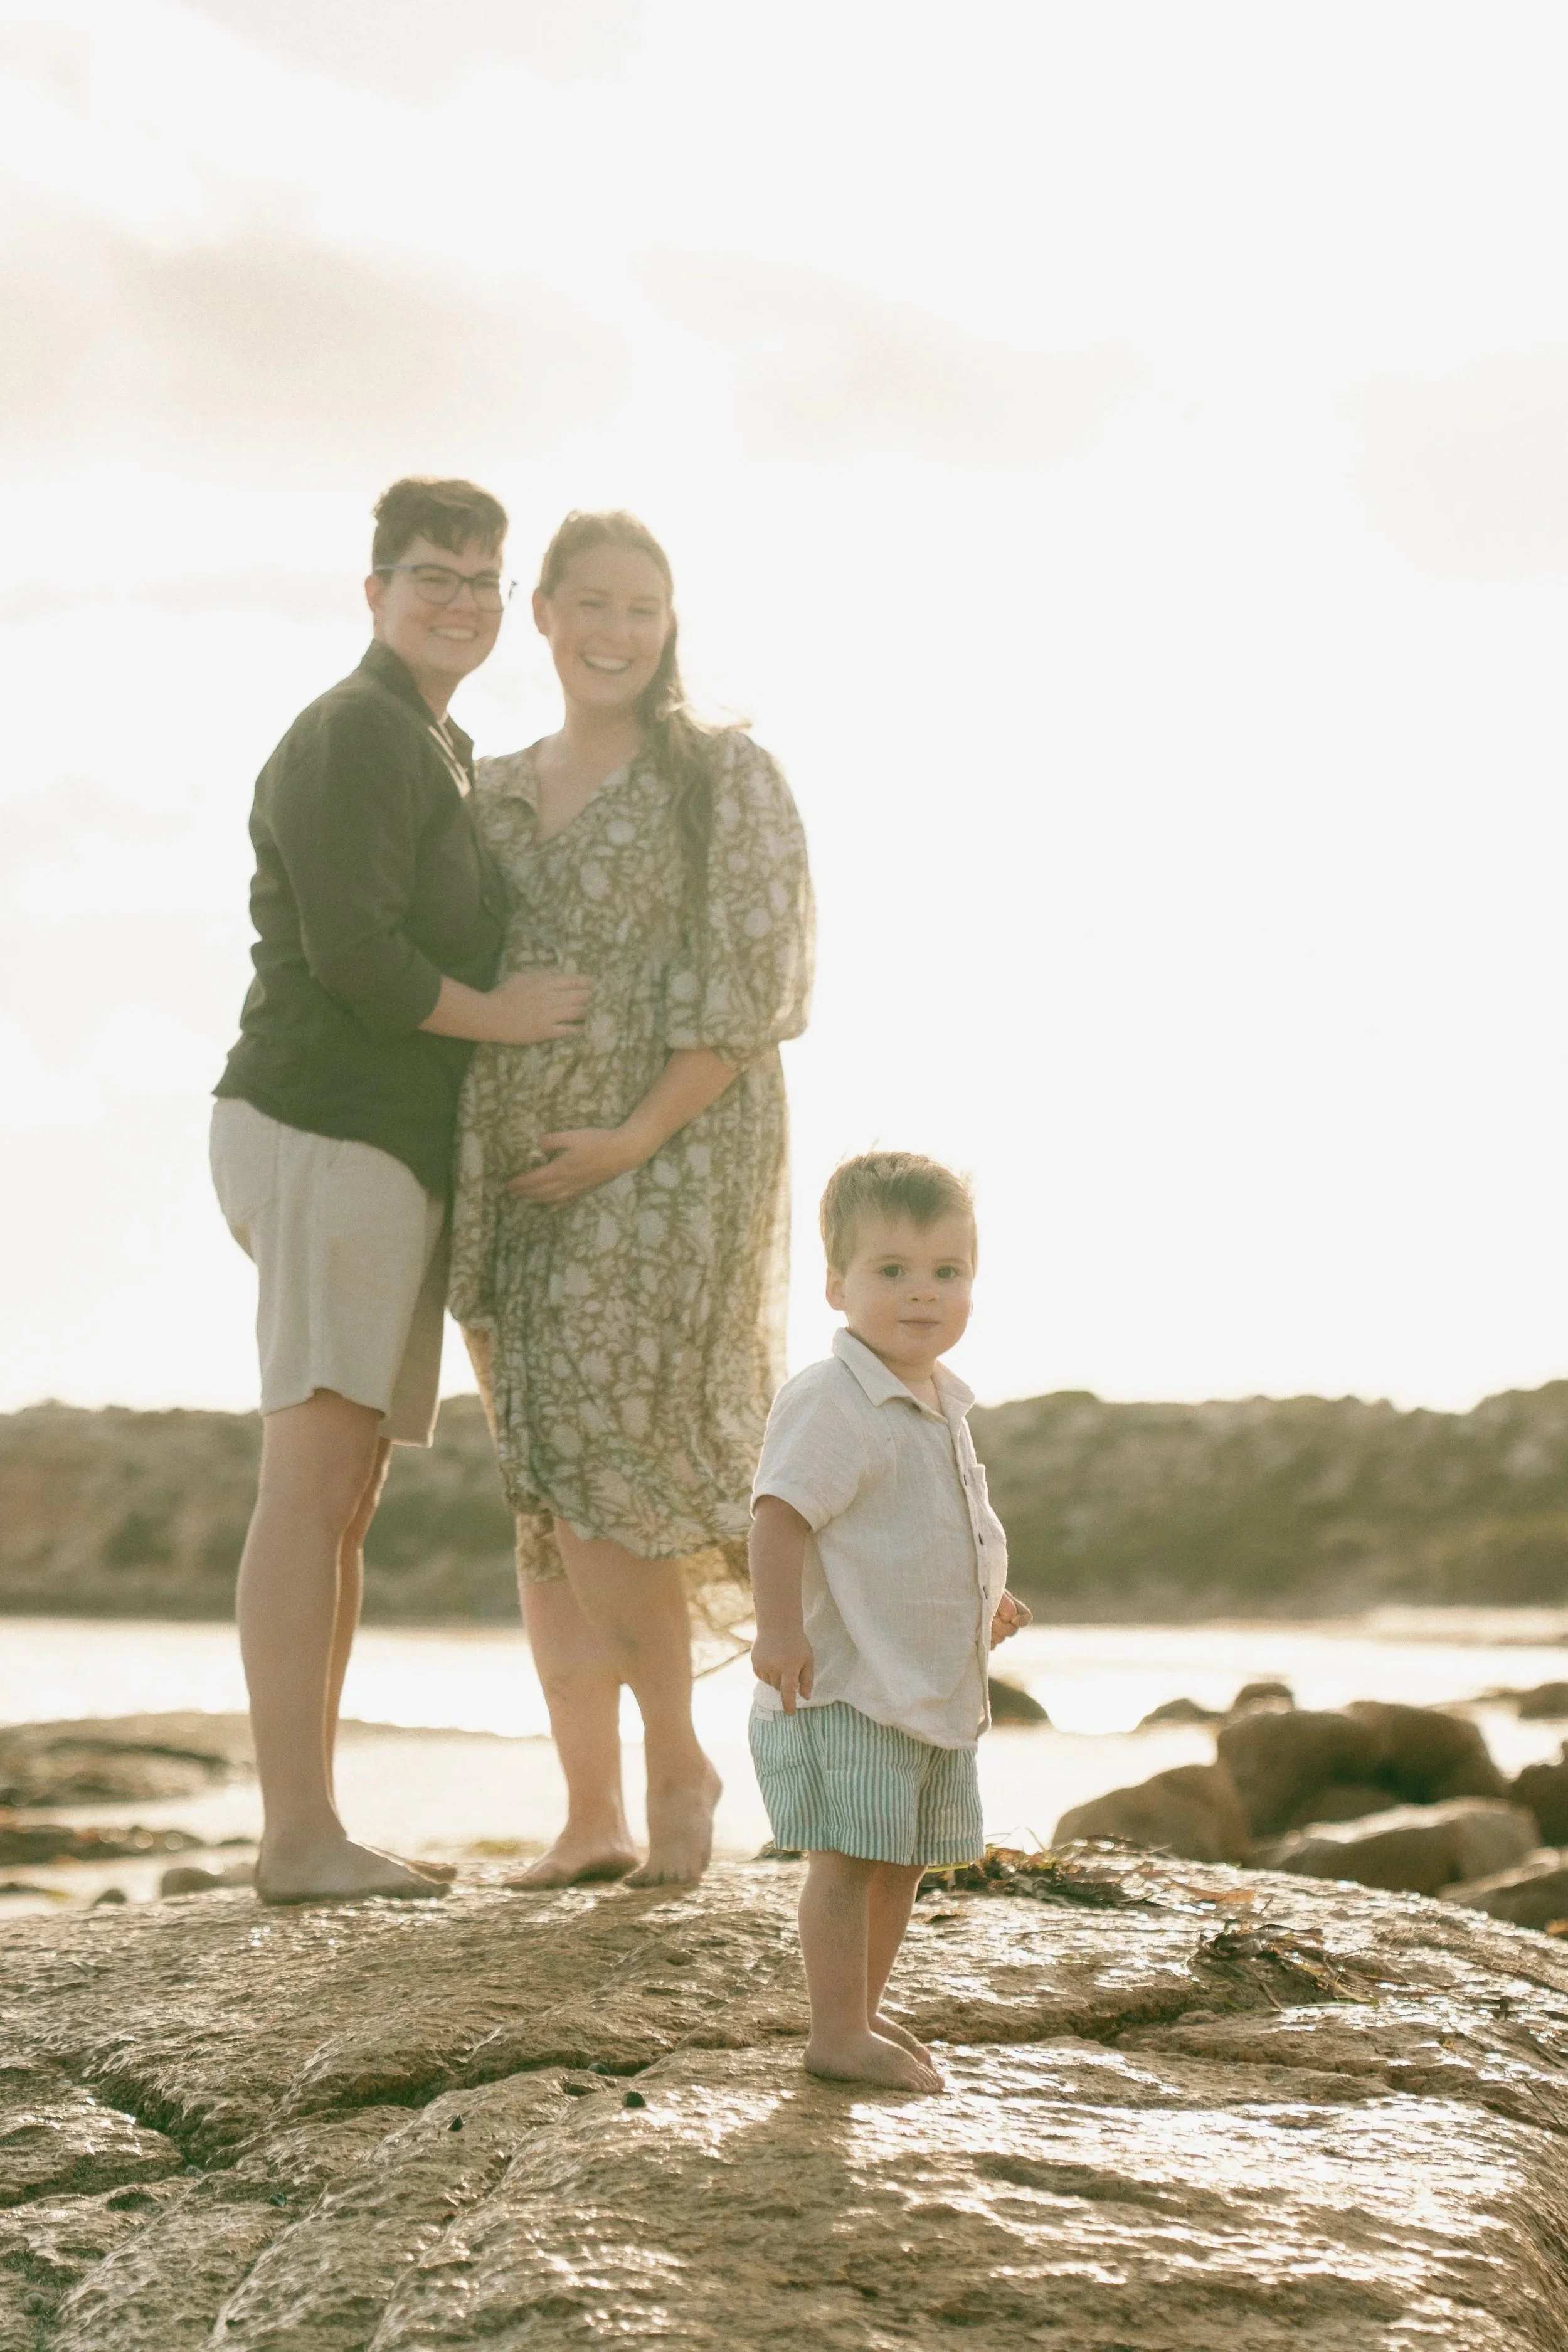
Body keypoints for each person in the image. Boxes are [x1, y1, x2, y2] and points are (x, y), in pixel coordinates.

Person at [211, 477, 595, 1905]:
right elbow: (356, 958)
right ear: (372, 591)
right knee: (307, 1492)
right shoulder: (352, 735)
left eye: (484, 581)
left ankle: (311, 1828)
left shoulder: (431, 740)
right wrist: (515, 1018)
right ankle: (296, 1839)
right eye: (433, 575)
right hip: (323, 1126)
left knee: (345, 1498)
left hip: (375, 1144)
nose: (461, 601)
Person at [450, 509, 813, 1890]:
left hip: (675, 1148)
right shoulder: (482, 790)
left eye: (641, 609)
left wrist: (627, 1138)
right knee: (541, 1481)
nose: (613, 632)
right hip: (506, 1156)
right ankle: (588, 1812)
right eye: (588, 603)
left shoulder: (719, 776)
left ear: (670, 625)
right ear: (539, 611)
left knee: (608, 1455)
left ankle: (678, 1756)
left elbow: (755, 988)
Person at [748, 1152, 1032, 2092]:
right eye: (893, 1271)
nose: (923, 1294)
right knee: (849, 1854)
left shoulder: (940, 1403)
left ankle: (859, 2006)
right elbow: (779, 1515)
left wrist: (984, 1598)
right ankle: (835, 2029)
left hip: (923, 1684)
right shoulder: (833, 1397)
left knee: (903, 1858)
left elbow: (926, 1529)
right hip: (850, 1682)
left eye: (947, 1272)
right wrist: (779, 1631)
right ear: (837, 1285)